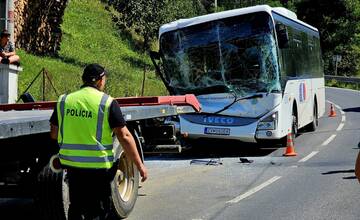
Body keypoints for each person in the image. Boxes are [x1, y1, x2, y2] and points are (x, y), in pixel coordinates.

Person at [49, 63, 147, 220]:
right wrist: (139, 164)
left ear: (83, 79)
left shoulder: (64, 100)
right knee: (97, 212)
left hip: (73, 168)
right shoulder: (107, 102)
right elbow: (125, 136)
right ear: (100, 80)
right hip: (98, 170)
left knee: (76, 209)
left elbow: (54, 134)